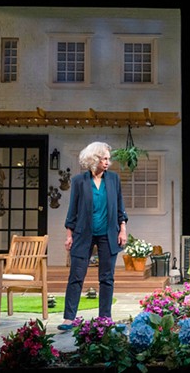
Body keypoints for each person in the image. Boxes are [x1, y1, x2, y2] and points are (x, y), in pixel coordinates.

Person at [58, 141, 128, 331]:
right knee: (76, 275)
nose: (108, 162)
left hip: (108, 233)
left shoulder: (113, 179)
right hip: (83, 234)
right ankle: (68, 318)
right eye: (104, 158)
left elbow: (120, 206)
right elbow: (72, 210)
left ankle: (105, 317)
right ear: (94, 159)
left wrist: (122, 229)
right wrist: (69, 235)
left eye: (108, 159)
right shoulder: (80, 181)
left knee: (107, 277)